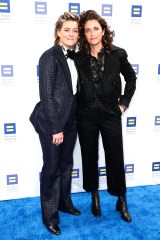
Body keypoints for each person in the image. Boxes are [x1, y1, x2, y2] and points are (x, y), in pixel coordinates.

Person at [75, 10, 136, 222]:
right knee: (89, 157)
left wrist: (123, 103)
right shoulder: (78, 57)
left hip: (111, 114)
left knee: (115, 158)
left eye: (96, 29)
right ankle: (94, 196)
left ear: (103, 30)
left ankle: (122, 199)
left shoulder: (118, 54)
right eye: (87, 30)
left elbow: (131, 78)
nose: (92, 33)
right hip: (86, 116)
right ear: (84, 34)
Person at [29, 12, 80, 235]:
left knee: (66, 165)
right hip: (52, 123)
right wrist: (55, 127)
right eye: (66, 29)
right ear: (58, 32)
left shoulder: (75, 56)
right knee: (51, 169)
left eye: (75, 30)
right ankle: (49, 216)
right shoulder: (49, 57)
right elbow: (47, 95)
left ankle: (64, 202)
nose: (71, 34)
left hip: (71, 121)